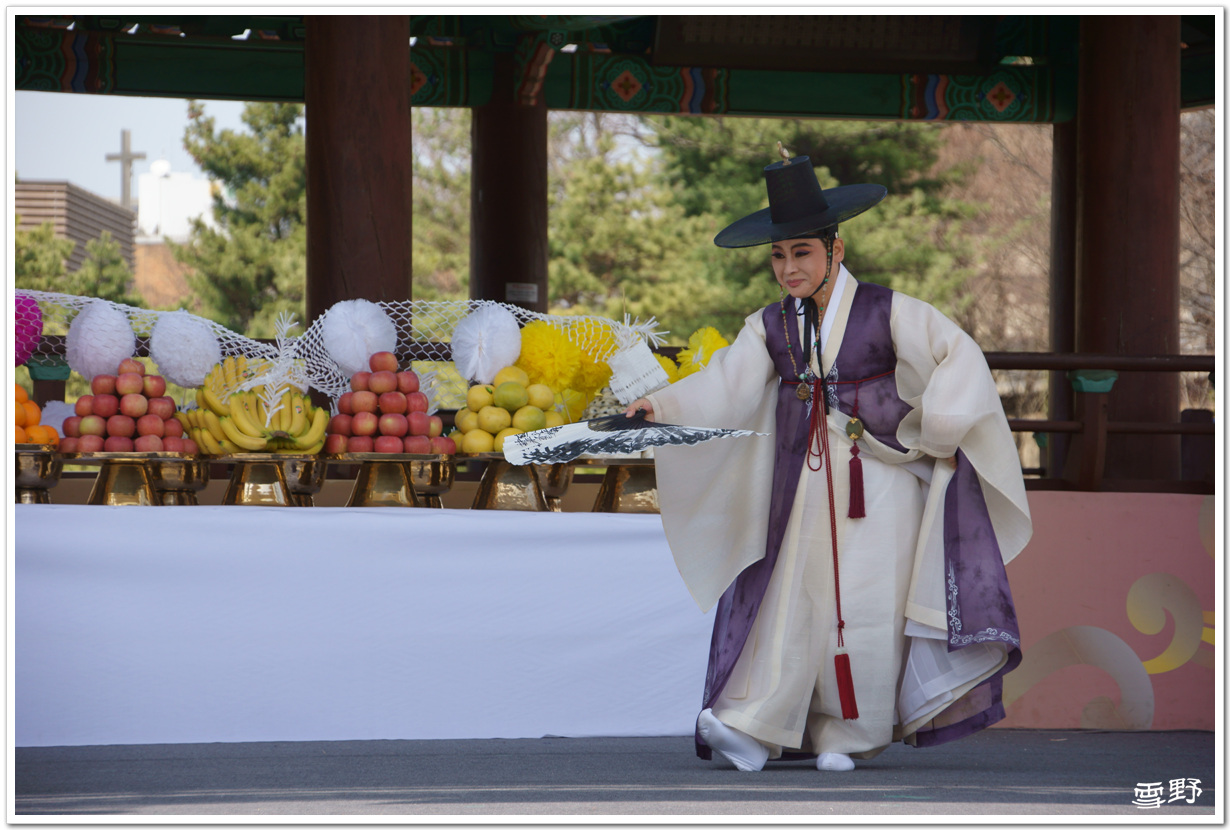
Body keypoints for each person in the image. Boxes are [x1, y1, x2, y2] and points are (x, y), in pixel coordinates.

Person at [624, 149, 1032, 773]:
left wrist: (936, 426)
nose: (788, 268)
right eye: (778, 255)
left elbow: (959, 355)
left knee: (866, 607)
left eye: (802, 253)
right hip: (800, 483)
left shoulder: (889, 309)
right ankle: (754, 725)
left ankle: (850, 735)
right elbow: (727, 384)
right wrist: (661, 404)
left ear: (835, 250)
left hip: (879, 480)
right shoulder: (769, 325)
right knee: (787, 599)